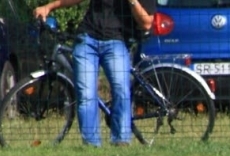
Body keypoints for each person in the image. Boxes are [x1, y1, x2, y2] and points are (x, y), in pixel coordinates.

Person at [34, 0, 155, 147]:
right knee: (86, 94)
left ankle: (121, 141)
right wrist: (49, 7)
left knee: (121, 89)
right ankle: (91, 145)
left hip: (116, 41)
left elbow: (146, 23)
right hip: (87, 38)